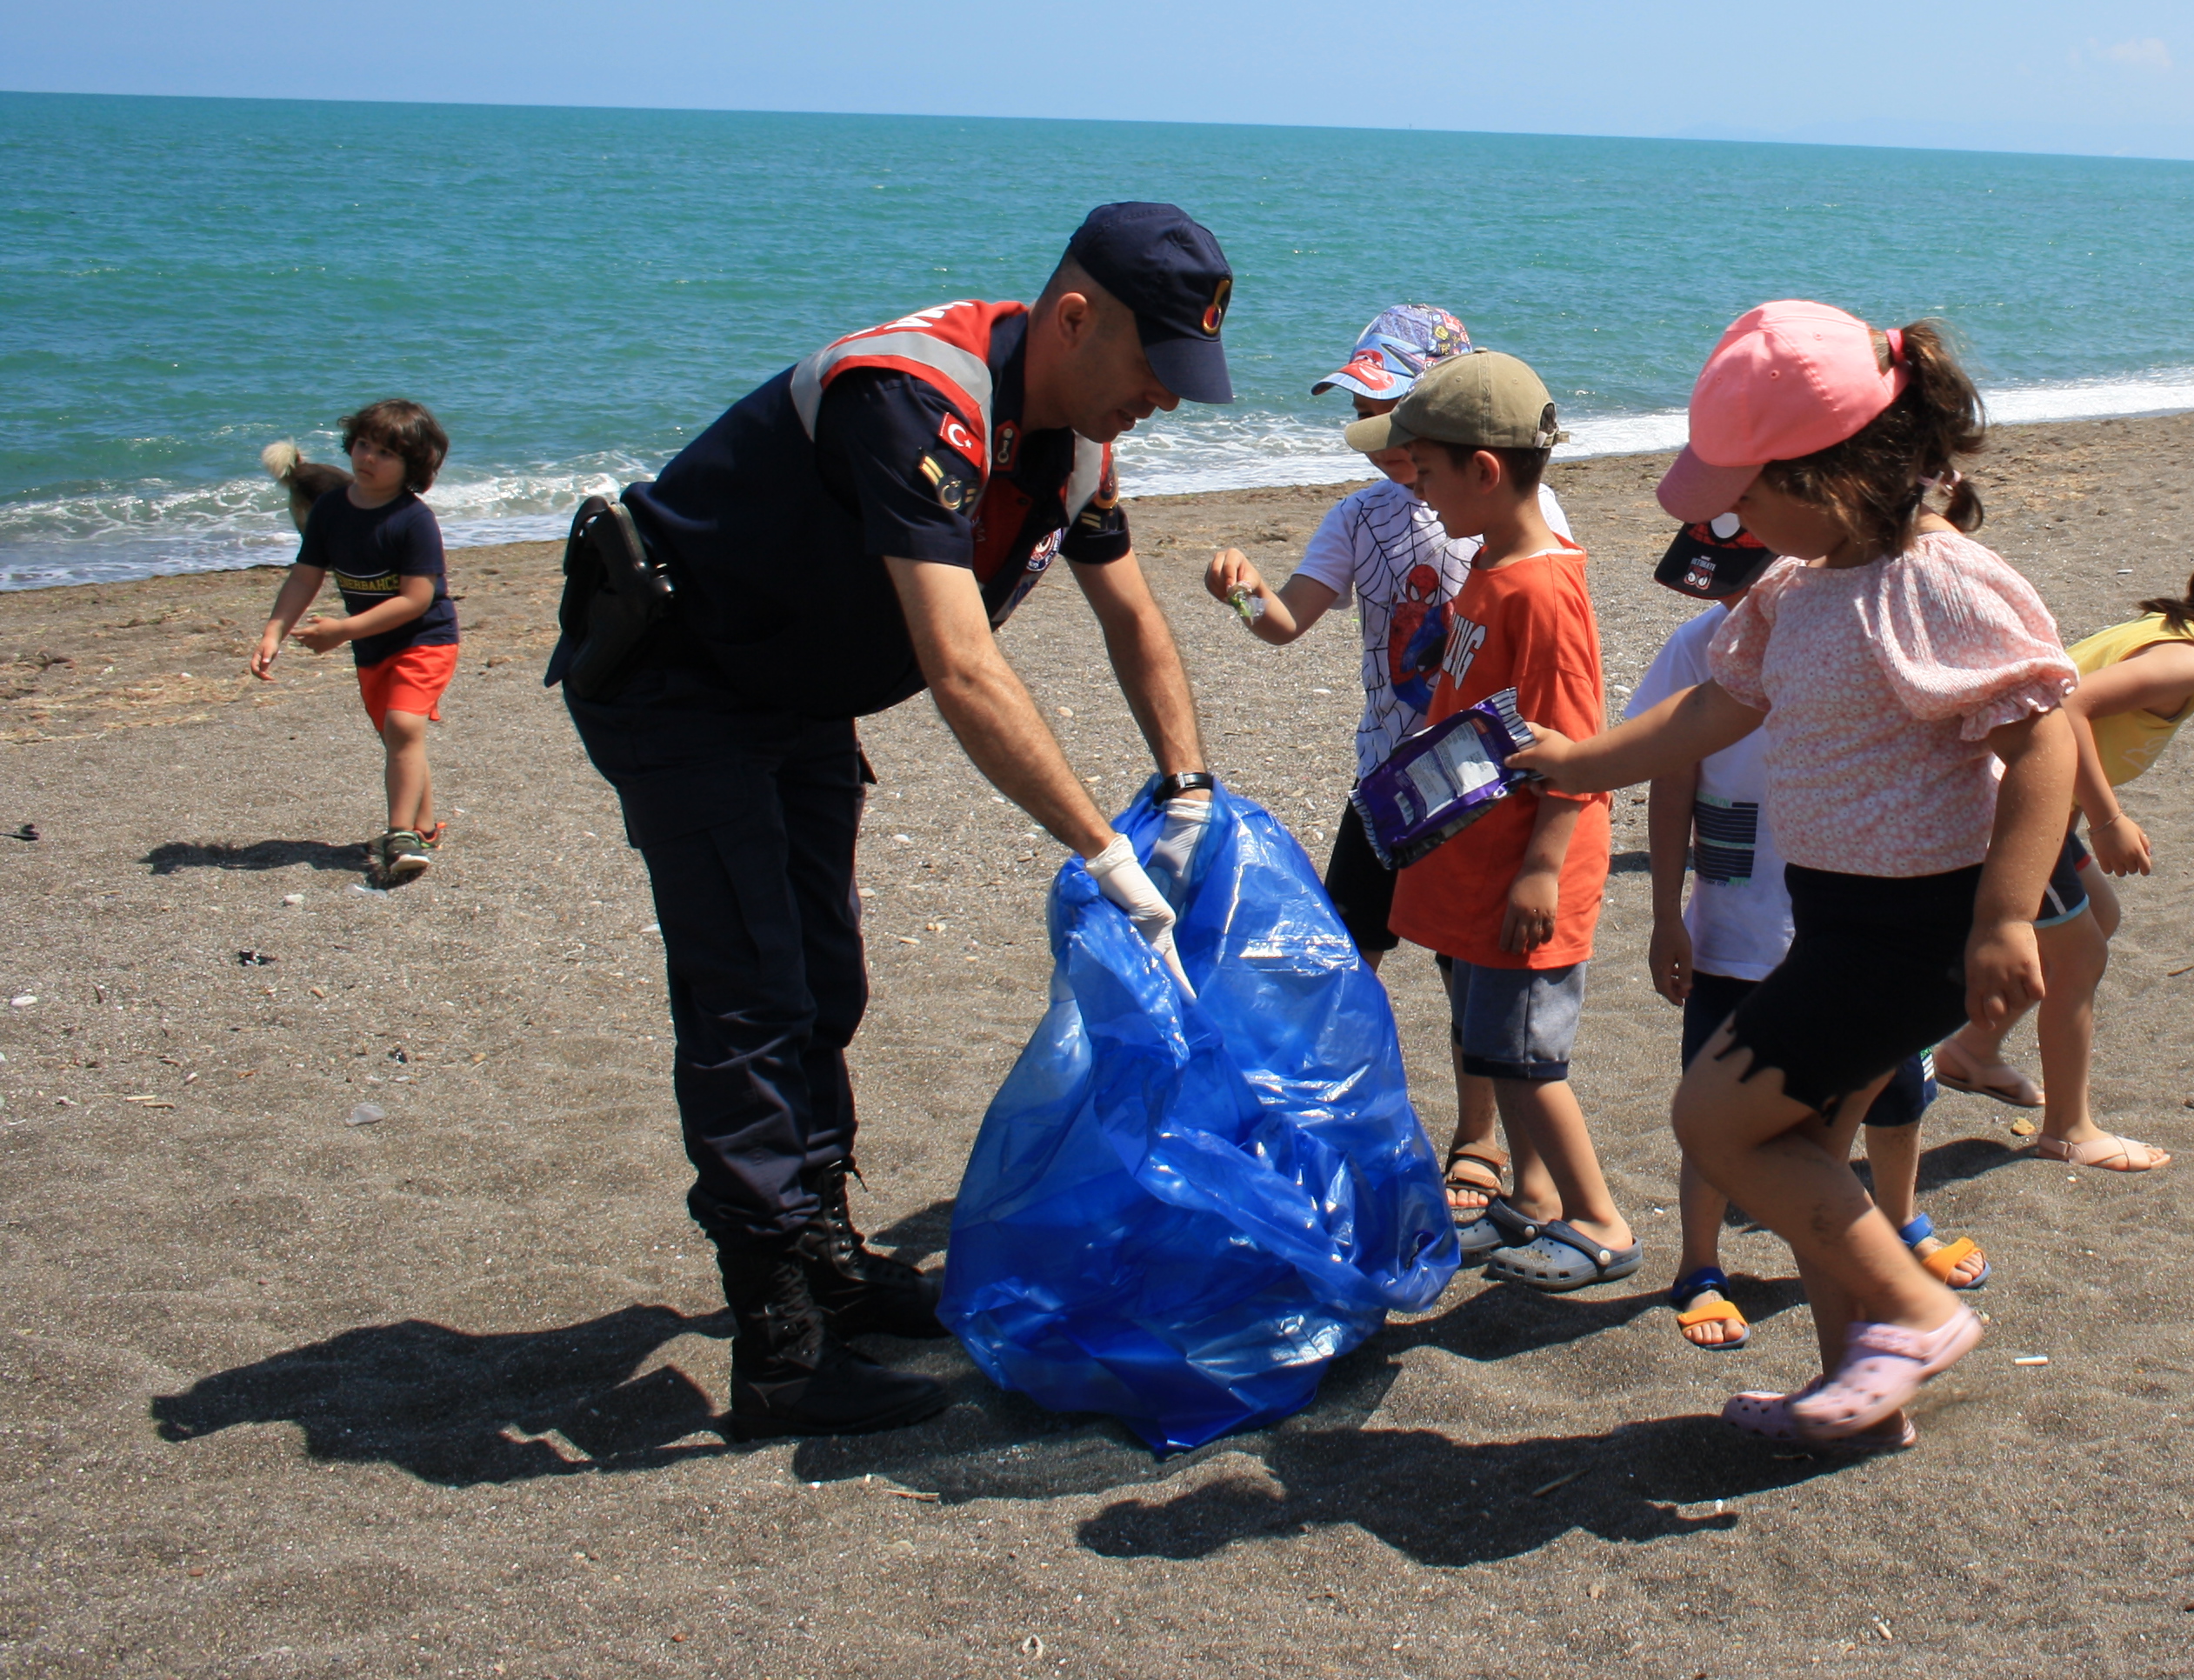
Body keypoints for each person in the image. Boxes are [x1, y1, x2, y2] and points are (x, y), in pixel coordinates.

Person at [551, 203, 1231, 1439]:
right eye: (1155, 368)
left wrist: (1187, 789)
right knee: (750, 992)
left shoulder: (1072, 444)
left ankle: (829, 1262)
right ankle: (781, 1350)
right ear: (1076, 318)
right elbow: (965, 672)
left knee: (826, 980)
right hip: (680, 679)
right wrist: (1105, 852)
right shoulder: (914, 402)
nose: (1167, 402)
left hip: (797, 693)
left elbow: (1132, 618)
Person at [1514, 302, 2077, 1457]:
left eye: (1746, 491)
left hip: (1913, 930)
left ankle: (1916, 1313)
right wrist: (1582, 761)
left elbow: (2049, 743)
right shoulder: (1790, 590)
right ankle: (1858, 1395)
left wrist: (2009, 915)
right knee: (1812, 1157)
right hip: (1833, 925)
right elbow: (1712, 710)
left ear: (1835, 475)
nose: (1726, 515)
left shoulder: (1944, 586)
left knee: (1711, 1119)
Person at [1200, 304, 1570, 1231]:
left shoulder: (1509, 510)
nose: (1376, 439)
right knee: (1346, 956)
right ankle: (1333, 1122)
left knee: (1468, 973)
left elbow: (1547, 649)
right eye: (1361, 411)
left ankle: (1477, 1139)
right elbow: (1288, 623)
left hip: (1479, 790)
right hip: (1389, 786)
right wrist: (1245, 596)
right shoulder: (1359, 517)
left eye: (1389, 410)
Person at [1625, 523, 1984, 1352]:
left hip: (1852, 930)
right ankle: (1701, 1262)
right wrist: (1663, 914)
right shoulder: (1698, 647)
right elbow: (1668, 778)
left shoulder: (1854, 638)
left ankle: (1898, 1222)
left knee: (1895, 1094)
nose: (1726, 605)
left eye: (1741, 584)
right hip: (1733, 926)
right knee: (1711, 1104)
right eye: (1711, 587)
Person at [1933, 507, 2194, 1171]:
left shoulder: (2167, 630)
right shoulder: (2186, 665)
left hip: (2028, 805)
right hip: (2008, 810)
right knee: (2081, 956)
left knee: (2099, 915)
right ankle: (2070, 1129)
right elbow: (2065, 708)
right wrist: (2108, 818)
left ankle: (1973, 1051)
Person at [1347, 351, 1633, 1295]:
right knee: (1491, 1047)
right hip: (1481, 863)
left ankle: (1599, 1221)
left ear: (1483, 471)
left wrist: (1543, 868)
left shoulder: (1542, 589)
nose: (1417, 493)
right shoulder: (1487, 565)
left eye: (1424, 472)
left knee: (1528, 1058)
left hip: (1526, 868)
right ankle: (1535, 1206)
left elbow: (1577, 744)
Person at [250, 401, 459, 887]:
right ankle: (425, 828)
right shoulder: (330, 509)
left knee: (404, 725)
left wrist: (340, 630)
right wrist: (274, 630)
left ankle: (400, 835)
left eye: (386, 453)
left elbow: (416, 599)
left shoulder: (413, 519)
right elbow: (305, 576)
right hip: (373, 648)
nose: (368, 458)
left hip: (424, 639)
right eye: (364, 445)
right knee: (397, 738)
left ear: (414, 467)